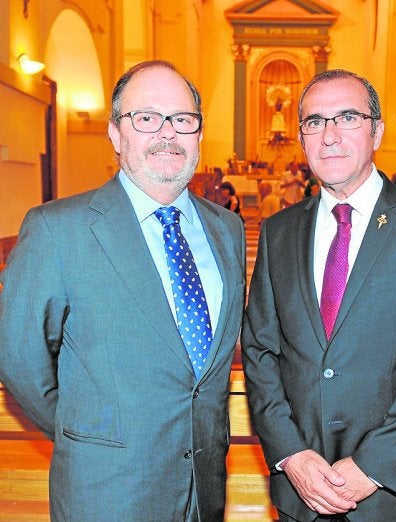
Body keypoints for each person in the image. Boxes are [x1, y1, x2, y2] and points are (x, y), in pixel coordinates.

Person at [0, 60, 246, 522]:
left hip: (206, 488)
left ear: (198, 133)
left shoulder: (226, 229)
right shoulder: (58, 230)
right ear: (116, 133)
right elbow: (18, 358)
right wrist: (88, 433)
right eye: (146, 118)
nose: (167, 133)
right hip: (106, 490)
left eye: (182, 119)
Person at [242, 69, 396, 522]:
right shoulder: (278, 232)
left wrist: (374, 466)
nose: (329, 136)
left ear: (376, 131)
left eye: (347, 117)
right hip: (301, 491)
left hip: (392, 492)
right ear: (302, 137)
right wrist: (291, 456)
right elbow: (259, 350)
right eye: (314, 121)